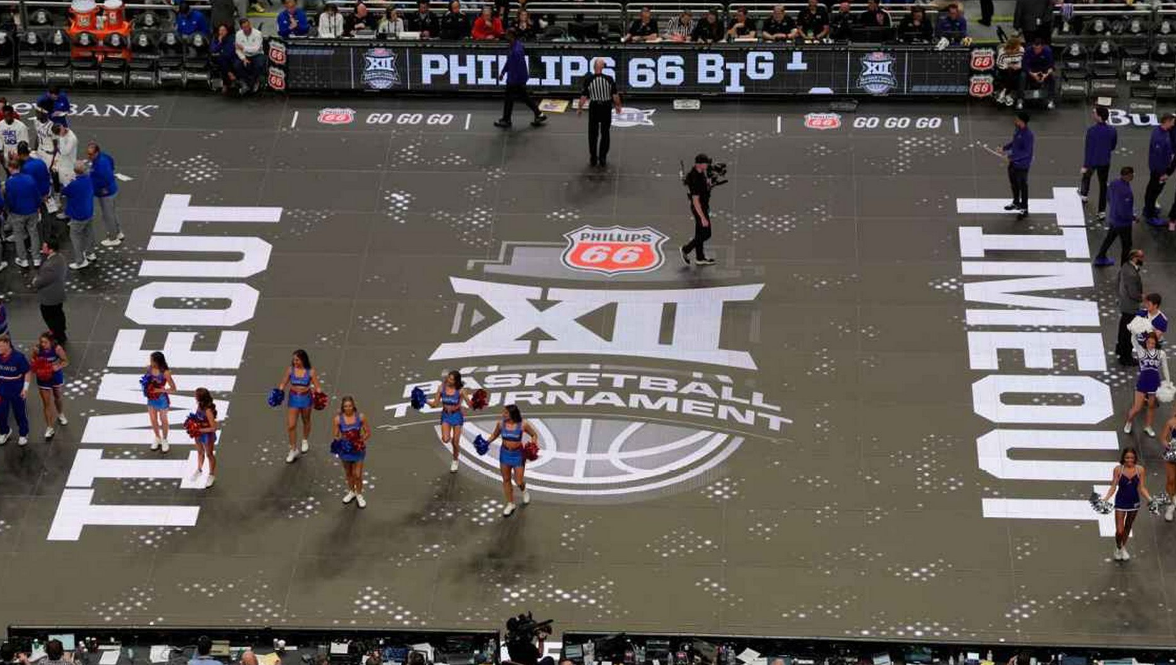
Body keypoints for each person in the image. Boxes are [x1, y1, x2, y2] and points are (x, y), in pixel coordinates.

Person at [482, 404, 538, 517]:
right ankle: (510, 504)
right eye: (503, 412)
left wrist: (533, 445)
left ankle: (524, 490)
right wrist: (486, 442)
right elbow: (494, 435)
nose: (503, 414)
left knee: (518, 481)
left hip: (518, 455)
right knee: (506, 479)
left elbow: (534, 435)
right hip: (505, 454)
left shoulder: (523, 424)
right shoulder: (500, 424)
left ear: (512, 414)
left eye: (506, 413)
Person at [1099, 447, 1152, 561]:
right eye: (1127, 457)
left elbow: (1142, 487)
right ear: (1123, 458)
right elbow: (1113, 486)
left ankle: (1122, 548)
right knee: (1120, 531)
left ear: (1135, 458)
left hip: (1134, 502)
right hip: (1120, 502)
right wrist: (1106, 498)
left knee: (1128, 526)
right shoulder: (1118, 469)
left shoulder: (1140, 470)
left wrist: (1150, 499)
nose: (1129, 460)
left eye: (1132, 458)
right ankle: (1118, 546)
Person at [494, 30, 547, 129]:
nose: (505, 37)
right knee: (525, 97)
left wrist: (514, 81)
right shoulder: (514, 46)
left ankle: (506, 120)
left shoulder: (517, 50)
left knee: (509, 99)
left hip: (516, 79)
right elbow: (509, 61)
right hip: (516, 79)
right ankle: (539, 114)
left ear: (511, 36)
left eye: (507, 35)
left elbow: (519, 68)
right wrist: (503, 72)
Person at [278, 349, 321, 463]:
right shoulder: (290, 370)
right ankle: (293, 450)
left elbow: (317, 386)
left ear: (303, 359)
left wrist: (319, 394)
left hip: (306, 398)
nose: (295, 362)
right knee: (291, 425)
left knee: (306, 420)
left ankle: (305, 440)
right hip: (293, 399)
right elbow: (283, 383)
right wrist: (279, 391)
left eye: (297, 360)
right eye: (294, 360)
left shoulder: (310, 372)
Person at [578, 58, 622, 169]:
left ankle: (593, 157)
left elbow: (583, 96)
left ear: (594, 67)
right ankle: (602, 157)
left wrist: (580, 108)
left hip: (594, 107)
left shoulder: (588, 80)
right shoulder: (609, 79)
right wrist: (618, 105)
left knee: (593, 133)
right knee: (605, 132)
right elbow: (615, 95)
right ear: (602, 67)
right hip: (605, 107)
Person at [1124, 331, 1168, 437]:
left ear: (1156, 343)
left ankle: (1148, 426)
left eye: (1153, 343)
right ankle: (1129, 422)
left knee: (1151, 406)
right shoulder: (1141, 351)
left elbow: (1165, 368)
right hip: (1143, 381)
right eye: (1149, 342)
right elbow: (1133, 341)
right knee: (1137, 407)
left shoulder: (1161, 353)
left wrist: (1168, 382)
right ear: (1146, 342)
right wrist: (1133, 330)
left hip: (1154, 382)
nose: (1150, 345)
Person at [428, 369, 472, 472]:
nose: (449, 380)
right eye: (448, 378)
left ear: (456, 381)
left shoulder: (461, 391)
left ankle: (455, 461)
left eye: (452, 379)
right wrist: (424, 400)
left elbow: (470, 404)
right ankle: (453, 445)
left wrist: (477, 402)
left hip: (456, 416)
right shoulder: (441, 388)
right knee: (446, 439)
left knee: (455, 442)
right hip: (446, 416)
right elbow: (435, 404)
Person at [1093, 167, 1135, 268]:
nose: (1133, 176)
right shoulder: (1127, 192)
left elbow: (1108, 196)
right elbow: (1124, 211)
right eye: (1132, 174)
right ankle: (1124, 267)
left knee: (1110, 238)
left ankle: (1100, 257)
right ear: (1127, 176)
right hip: (1123, 223)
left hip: (1113, 218)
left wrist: (1113, 207)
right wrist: (1133, 217)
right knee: (1127, 245)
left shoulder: (1114, 183)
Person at [333, 395, 371, 507]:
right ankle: (351, 492)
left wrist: (360, 441)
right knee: (349, 473)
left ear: (353, 406)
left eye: (350, 406)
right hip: (345, 451)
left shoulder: (361, 417)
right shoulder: (337, 419)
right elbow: (336, 435)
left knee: (357, 475)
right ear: (343, 407)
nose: (348, 408)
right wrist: (342, 442)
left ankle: (359, 494)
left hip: (358, 450)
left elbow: (368, 433)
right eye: (346, 406)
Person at [1080, 107, 1117, 218]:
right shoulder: (1112, 130)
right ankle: (1102, 211)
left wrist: (1085, 165)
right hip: (1105, 161)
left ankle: (1084, 195)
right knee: (1103, 186)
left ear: (1099, 117)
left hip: (1092, 161)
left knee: (1086, 177)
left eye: (1095, 113)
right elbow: (1113, 146)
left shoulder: (1091, 131)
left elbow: (1088, 149)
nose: (1093, 115)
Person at [87, 142, 125, 247]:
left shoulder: (100, 165)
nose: (88, 156)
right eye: (88, 154)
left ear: (96, 152)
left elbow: (104, 179)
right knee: (112, 213)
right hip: (111, 189)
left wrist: (98, 188)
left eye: (91, 154)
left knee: (108, 215)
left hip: (106, 193)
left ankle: (113, 238)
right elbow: (112, 163)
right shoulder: (104, 157)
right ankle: (118, 232)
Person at [681, 154, 716, 267]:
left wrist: (709, 184)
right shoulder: (695, 178)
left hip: (703, 205)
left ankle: (700, 258)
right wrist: (702, 217)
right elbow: (695, 201)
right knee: (706, 234)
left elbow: (703, 189)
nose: (707, 165)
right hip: (699, 208)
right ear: (699, 164)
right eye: (705, 163)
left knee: (699, 233)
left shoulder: (700, 173)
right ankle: (686, 249)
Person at [31, 331, 67, 440]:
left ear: (51, 342)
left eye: (45, 342)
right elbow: (32, 359)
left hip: (55, 375)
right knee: (46, 403)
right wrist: (37, 366)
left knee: (57, 396)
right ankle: (49, 427)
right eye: (41, 342)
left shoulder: (57, 349)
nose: (43, 344)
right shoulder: (37, 349)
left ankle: (60, 413)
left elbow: (65, 361)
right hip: (43, 377)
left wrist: (57, 367)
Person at [1, 160, 35, 271]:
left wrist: (9, 210)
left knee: (19, 236)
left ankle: (23, 260)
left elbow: (9, 199)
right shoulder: (29, 178)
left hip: (17, 212)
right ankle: (37, 258)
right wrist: (37, 206)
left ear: (10, 168)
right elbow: (36, 193)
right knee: (34, 234)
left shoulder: (10, 182)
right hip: (32, 211)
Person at [62, 161, 96, 269]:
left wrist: (67, 182)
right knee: (89, 233)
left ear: (75, 171)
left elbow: (64, 191)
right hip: (89, 212)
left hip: (78, 215)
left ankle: (80, 261)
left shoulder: (74, 184)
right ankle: (90, 253)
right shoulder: (89, 180)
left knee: (75, 236)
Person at [33, 237, 67, 344]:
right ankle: (61, 332)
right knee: (58, 313)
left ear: (51, 249)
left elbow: (42, 281)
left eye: (44, 247)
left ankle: (57, 334)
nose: (42, 248)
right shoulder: (60, 257)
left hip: (50, 298)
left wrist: (35, 281)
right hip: (58, 293)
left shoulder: (50, 265)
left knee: (50, 316)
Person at [0, 335, 32, 447]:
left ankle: (23, 434)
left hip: (16, 389)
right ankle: (4, 431)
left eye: (0, 346)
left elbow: (27, 372)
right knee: (1, 412)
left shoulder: (19, 357)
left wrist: (25, 388)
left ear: (7, 344)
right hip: (2, 389)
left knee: (19, 413)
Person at [1002, 111, 1034, 220]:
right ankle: (1016, 202)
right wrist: (1004, 148)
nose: (1015, 120)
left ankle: (1024, 209)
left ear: (1022, 121)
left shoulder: (1028, 135)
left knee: (1023, 187)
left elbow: (1026, 152)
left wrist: (1011, 157)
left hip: (1022, 166)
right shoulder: (1018, 130)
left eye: (1017, 119)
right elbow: (1014, 143)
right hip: (1013, 164)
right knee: (1014, 184)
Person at [1116, 250, 1145, 366]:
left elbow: (1118, 282)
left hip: (1124, 302)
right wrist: (1141, 297)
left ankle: (1120, 349)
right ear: (1133, 257)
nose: (1142, 259)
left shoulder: (1125, 267)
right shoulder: (1132, 274)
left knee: (1123, 328)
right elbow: (1133, 293)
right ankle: (1125, 357)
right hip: (1130, 306)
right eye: (1140, 257)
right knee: (1128, 332)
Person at [145, 351, 176, 452]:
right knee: (153, 419)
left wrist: (159, 390)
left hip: (162, 399)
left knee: (163, 419)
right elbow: (146, 381)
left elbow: (173, 389)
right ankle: (157, 437)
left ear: (157, 361)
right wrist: (147, 388)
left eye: (151, 360)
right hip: (151, 398)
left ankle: (165, 439)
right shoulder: (149, 369)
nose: (150, 362)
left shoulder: (165, 372)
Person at [190, 387, 219, 488]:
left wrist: (200, 430)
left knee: (209, 454)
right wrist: (192, 424)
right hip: (199, 433)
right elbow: (197, 418)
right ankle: (199, 470)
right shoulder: (199, 405)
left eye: (196, 395)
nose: (194, 396)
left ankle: (211, 475)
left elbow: (214, 428)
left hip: (207, 435)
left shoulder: (208, 411)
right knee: (200, 452)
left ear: (200, 397)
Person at [1019, 38, 1055, 110]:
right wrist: (1032, 73)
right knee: (1022, 76)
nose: (1036, 50)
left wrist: (1046, 75)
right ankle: (1020, 99)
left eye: (1038, 49)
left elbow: (1051, 66)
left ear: (1042, 47)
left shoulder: (1048, 51)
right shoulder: (1028, 50)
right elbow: (1024, 65)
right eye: (1034, 48)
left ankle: (1050, 100)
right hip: (1031, 70)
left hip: (1043, 70)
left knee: (1052, 77)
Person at [233, 17, 265, 92]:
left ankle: (255, 81)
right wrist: (243, 58)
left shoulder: (258, 33)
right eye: (244, 27)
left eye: (248, 26)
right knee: (236, 65)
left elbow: (256, 49)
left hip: (257, 54)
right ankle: (245, 82)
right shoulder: (238, 34)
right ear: (241, 28)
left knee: (259, 64)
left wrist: (243, 48)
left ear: (250, 24)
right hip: (245, 55)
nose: (247, 28)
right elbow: (237, 49)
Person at [994, 36, 1024, 106]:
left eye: (1016, 49)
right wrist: (1009, 66)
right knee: (1009, 73)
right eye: (1012, 49)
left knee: (1018, 74)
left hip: (1018, 69)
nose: (1014, 51)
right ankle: (1008, 94)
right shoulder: (1002, 51)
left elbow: (1023, 62)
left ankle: (1004, 92)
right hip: (1005, 70)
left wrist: (1018, 66)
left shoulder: (1021, 50)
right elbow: (999, 64)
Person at [0, 105, 28, 172]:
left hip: (18, 156)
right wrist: (1, 152)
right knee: (9, 172)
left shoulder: (21, 126)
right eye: (5, 116)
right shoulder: (0, 125)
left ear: (13, 114)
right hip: (6, 155)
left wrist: (17, 156)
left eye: (9, 115)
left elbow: (24, 143)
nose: (7, 118)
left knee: (19, 172)